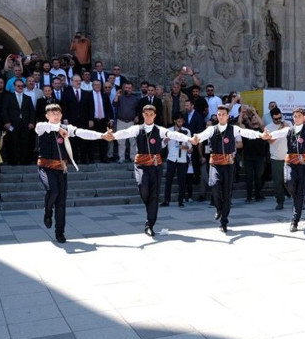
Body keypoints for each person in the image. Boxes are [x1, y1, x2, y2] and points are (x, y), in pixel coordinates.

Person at [107, 105, 191, 236]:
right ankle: (150, 208)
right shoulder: (137, 129)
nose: (148, 117)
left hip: (156, 166)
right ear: (143, 115)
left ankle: (149, 225)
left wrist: (189, 139)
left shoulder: (160, 130)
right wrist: (113, 136)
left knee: (154, 195)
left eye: (151, 114)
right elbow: (125, 133)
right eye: (146, 114)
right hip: (141, 164)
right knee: (143, 187)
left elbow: (173, 134)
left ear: (155, 115)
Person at [190, 105, 268, 233]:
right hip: (215, 163)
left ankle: (224, 221)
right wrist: (196, 138)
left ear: (227, 116)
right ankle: (218, 207)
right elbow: (201, 136)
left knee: (227, 193)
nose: (221, 116)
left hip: (229, 165)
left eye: (223, 114)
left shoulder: (234, 129)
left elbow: (247, 132)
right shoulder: (212, 129)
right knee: (214, 184)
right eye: (219, 114)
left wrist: (261, 135)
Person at [35, 104, 105, 243]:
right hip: (45, 167)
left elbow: (82, 133)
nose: (55, 116)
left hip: (61, 169)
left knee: (61, 202)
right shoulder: (41, 127)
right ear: (47, 116)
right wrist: (58, 129)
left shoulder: (67, 128)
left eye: (58, 113)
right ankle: (48, 212)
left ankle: (60, 232)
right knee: (53, 191)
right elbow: (44, 126)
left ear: (61, 115)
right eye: (52, 114)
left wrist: (101, 135)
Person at [264, 108, 305, 232]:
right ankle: (296, 197)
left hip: (303, 164)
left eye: (299, 116)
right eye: (295, 116)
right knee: (288, 182)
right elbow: (276, 134)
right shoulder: (288, 130)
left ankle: (295, 221)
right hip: (291, 162)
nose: (296, 118)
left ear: (304, 117)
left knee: (300, 193)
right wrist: (267, 135)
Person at [160, 114, 192, 208]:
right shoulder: (168, 130)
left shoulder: (186, 131)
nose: (180, 123)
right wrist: (166, 140)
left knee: (182, 180)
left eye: (182, 121)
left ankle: (180, 201)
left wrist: (183, 147)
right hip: (171, 158)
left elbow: (190, 148)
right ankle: (166, 200)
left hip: (182, 159)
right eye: (178, 121)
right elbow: (162, 145)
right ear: (175, 121)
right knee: (168, 180)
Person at [265, 107, 289, 210]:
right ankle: (280, 201)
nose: (278, 120)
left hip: (289, 157)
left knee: (292, 180)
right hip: (276, 158)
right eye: (276, 119)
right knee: (278, 182)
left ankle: (297, 200)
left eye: (280, 118)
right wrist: (280, 130)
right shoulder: (268, 127)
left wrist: (287, 127)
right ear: (272, 118)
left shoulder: (288, 123)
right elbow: (270, 141)